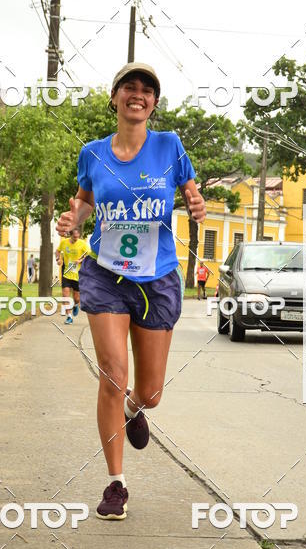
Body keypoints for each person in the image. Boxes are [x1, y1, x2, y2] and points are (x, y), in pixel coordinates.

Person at [56, 62, 206, 520]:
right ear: (116, 97)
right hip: (105, 273)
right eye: (129, 88)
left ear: (154, 103)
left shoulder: (170, 146)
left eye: (146, 90)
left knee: (151, 391)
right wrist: (72, 221)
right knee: (111, 373)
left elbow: (191, 193)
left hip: (157, 277)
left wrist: (196, 202)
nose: (137, 95)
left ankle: (134, 407)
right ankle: (115, 483)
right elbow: (83, 203)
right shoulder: (93, 153)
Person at [55, 228, 90, 324]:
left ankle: (75, 305)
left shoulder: (82, 243)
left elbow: (89, 255)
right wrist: (58, 259)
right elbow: (57, 251)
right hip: (67, 273)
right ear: (71, 235)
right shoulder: (64, 243)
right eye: (74, 237)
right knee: (65, 295)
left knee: (77, 298)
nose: (76, 238)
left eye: (77, 237)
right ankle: (69, 316)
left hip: (78, 275)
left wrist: (80, 260)